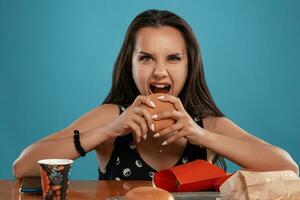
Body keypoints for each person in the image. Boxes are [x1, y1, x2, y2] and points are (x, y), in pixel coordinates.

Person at [13, 9, 298, 180]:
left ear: (190, 65)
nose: (160, 72)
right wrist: (105, 132)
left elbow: (287, 167)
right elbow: (22, 166)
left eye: (173, 58)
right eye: (146, 58)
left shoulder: (205, 123)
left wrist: (201, 136)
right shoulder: (112, 117)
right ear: (131, 64)